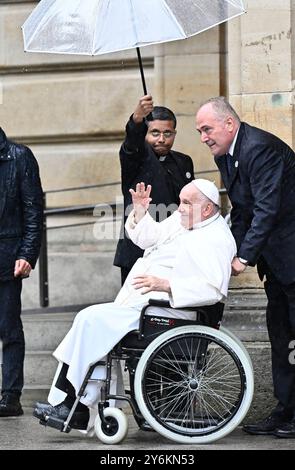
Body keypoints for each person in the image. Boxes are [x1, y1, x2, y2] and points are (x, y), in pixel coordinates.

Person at [33, 178, 236, 429]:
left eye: (186, 203)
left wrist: (167, 284)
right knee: (89, 323)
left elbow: (213, 289)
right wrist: (140, 211)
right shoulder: (185, 220)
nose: (179, 207)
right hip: (146, 304)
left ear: (206, 209)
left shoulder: (216, 237)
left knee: (90, 319)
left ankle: (74, 406)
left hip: (170, 310)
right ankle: (74, 404)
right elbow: (151, 238)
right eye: (181, 201)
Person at [196, 96, 295, 438]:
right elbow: (241, 212)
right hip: (278, 265)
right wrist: (225, 253)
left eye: (207, 128)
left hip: (291, 257)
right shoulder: (226, 155)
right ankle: (285, 410)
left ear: (228, 123)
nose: (204, 137)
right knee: (281, 338)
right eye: (199, 131)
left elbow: (266, 210)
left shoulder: (259, 148)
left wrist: (244, 257)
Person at [114, 94, 194, 285]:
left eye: (167, 133)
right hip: (138, 251)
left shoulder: (184, 161)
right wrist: (137, 119)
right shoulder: (137, 158)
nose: (161, 139)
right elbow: (131, 143)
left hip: (173, 249)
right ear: (146, 134)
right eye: (155, 133)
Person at [0, 127, 43, 417]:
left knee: (8, 327)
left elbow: (33, 210)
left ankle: (10, 396)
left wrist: (27, 254)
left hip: (6, 257)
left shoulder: (18, 156)